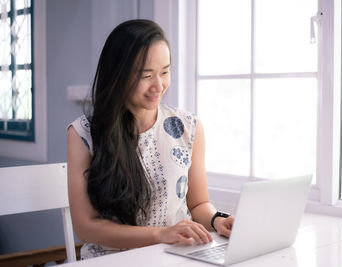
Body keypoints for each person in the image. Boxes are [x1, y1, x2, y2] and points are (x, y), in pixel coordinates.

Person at [67, 19, 234, 259]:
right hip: (110, 260)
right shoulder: (83, 134)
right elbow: (85, 227)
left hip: (175, 257)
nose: (159, 85)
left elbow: (198, 205)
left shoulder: (189, 128)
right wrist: (160, 234)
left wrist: (218, 220)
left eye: (165, 72)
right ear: (118, 74)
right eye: (146, 75)